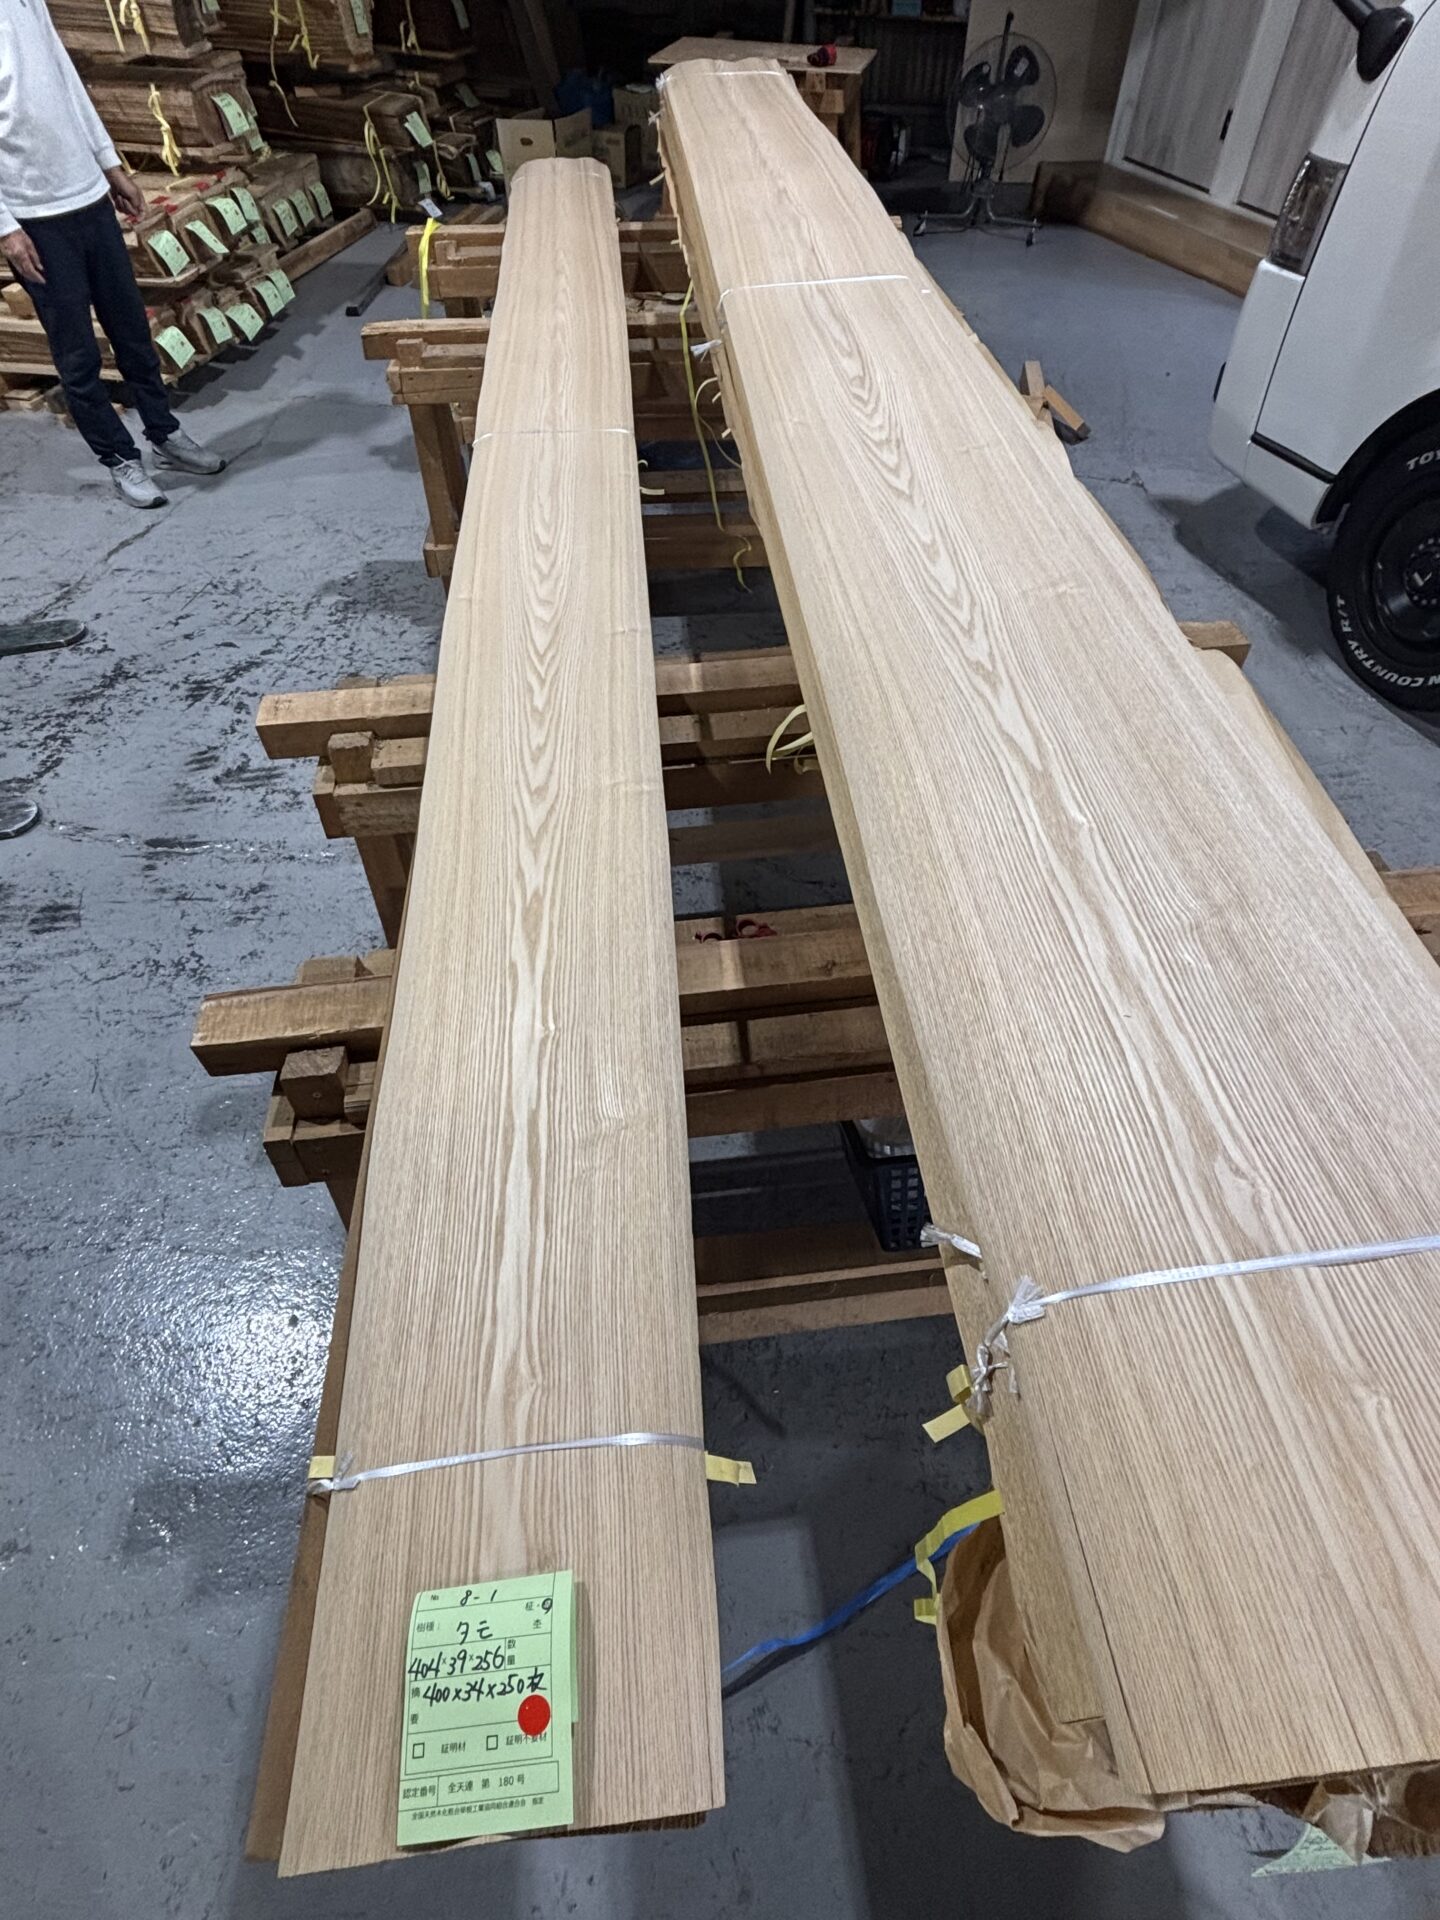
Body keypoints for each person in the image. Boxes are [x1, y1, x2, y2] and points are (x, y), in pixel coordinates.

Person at [0, 0, 226, 507]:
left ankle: (164, 433)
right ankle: (119, 458)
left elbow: (67, 82)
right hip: (34, 215)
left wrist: (109, 164)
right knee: (78, 354)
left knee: (132, 332)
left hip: (88, 196)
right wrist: (6, 228)